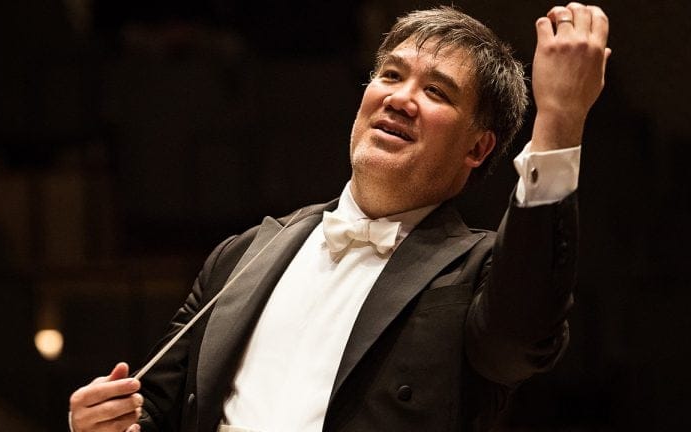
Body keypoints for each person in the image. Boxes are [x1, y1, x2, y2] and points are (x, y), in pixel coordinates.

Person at [69, 3, 610, 432]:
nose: (401, 98)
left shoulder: (477, 274)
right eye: (391, 75)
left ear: (478, 147)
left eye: (436, 90)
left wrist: (560, 122)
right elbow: (154, 412)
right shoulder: (245, 253)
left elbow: (520, 338)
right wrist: (108, 425)